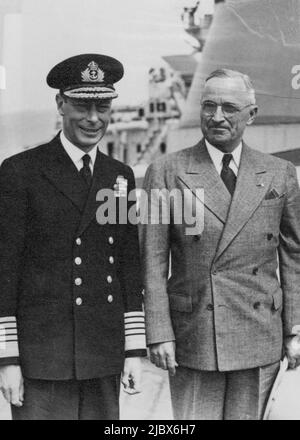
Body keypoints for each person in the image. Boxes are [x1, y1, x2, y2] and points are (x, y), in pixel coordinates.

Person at [141, 68, 300, 420]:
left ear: (251, 114)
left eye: (229, 107)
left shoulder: (279, 172)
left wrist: (295, 329)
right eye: (209, 106)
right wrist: (158, 333)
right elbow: (152, 261)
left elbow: (294, 257)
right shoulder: (167, 170)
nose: (217, 117)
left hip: (260, 334)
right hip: (194, 334)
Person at [0, 54, 146, 420]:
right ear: (60, 103)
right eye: (82, 105)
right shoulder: (20, 172)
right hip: (42, 359)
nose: (93, 118)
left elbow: (128, 265)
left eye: (103, 106)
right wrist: (7, 360)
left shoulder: (120, 176)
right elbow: (5, 271)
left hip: (102, 353)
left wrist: (132, 351)